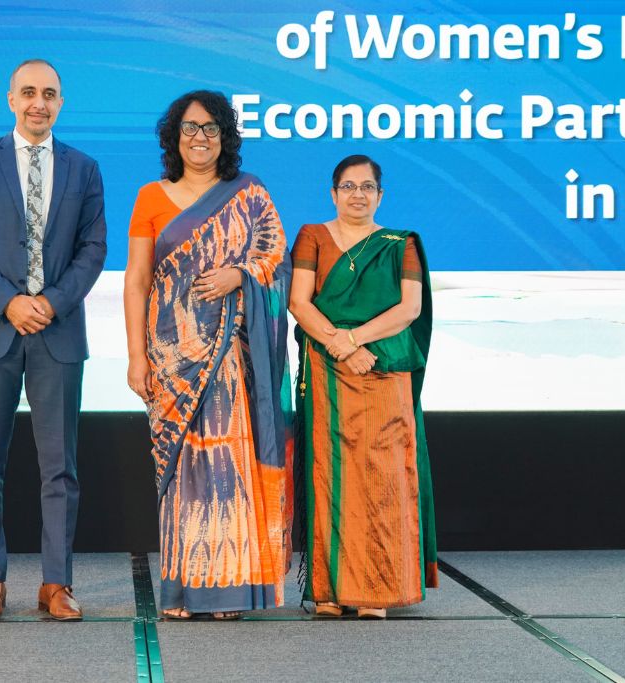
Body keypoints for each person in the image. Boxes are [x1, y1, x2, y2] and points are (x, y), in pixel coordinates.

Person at [123, 91, 293, 620]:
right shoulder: (150, 197)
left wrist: (238, 275)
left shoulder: (250, 193)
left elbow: (276, 258)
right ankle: (182, 590)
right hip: (170, 358)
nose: (200, 137)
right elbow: (137, 280)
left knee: (228, 465)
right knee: (183, 471)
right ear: (175, 136)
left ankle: (229, 589)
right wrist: (136, 357)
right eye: (191, 127)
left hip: (231, 358)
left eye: (212, 128)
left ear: (226, 137)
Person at [0, 59, 106, 621]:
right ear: (11, 99)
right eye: (30, 92)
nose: (40, 102)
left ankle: (56, 584)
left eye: (50, 94)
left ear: (61, 103)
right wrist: (9, 302)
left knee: (60, 468)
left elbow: (93, 249)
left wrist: (51, 302)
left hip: (57, 334)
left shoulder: (84, 168)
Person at [289, 154, 437, 618]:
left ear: (380, 195)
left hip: (384, 369)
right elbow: (299, 302)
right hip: (327, 368)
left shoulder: (400, 243)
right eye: (349, 187)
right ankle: (330, 590)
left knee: (383, 475)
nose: (358, 195)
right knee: (329, 474)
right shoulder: (312, 236)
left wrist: (354, 339)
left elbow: (409, 309)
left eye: (367, 187)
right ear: (333, 193)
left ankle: (378, 589)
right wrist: (339, 345)